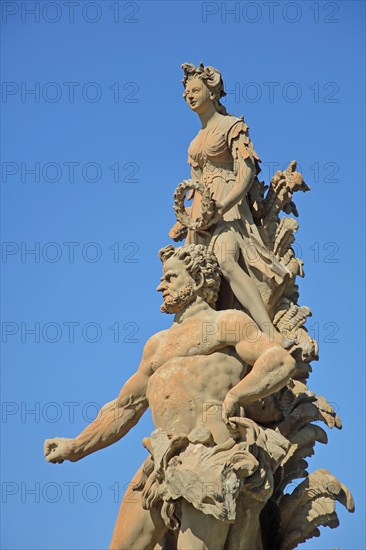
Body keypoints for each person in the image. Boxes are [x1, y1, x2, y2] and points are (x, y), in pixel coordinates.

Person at [44, 244, 296, 550]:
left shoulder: (226, 323)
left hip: (209, 452)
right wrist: (76, 446)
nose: (159, 286)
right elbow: (126, 407)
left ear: (199, 281)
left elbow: (279, 361)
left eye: (170, 277)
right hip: (160, 458)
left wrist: (235, 396)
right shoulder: (156, 345)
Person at [179, 62, 290, 343]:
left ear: (212, 92)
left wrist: (224, 205)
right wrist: (188, 221)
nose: (188, 95)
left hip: (229, 210)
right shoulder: (194, 143)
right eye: (186, 91)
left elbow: (247, 172)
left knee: (226, 261)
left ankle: (269, 332)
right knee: (200, 277)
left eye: (195, 89)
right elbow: (195, 185)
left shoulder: (232, 126)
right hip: (201, 216)